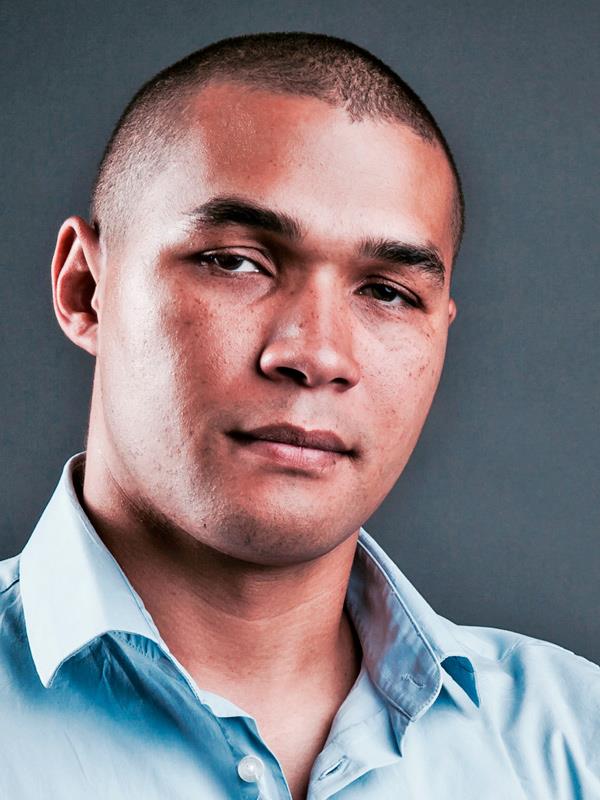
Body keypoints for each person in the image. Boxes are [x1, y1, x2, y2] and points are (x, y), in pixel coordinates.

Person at [1, 31, 598, 800]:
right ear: (85, 288)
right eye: (235, 262)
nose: (317, 354)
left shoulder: (574, 744)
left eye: (387, 292)